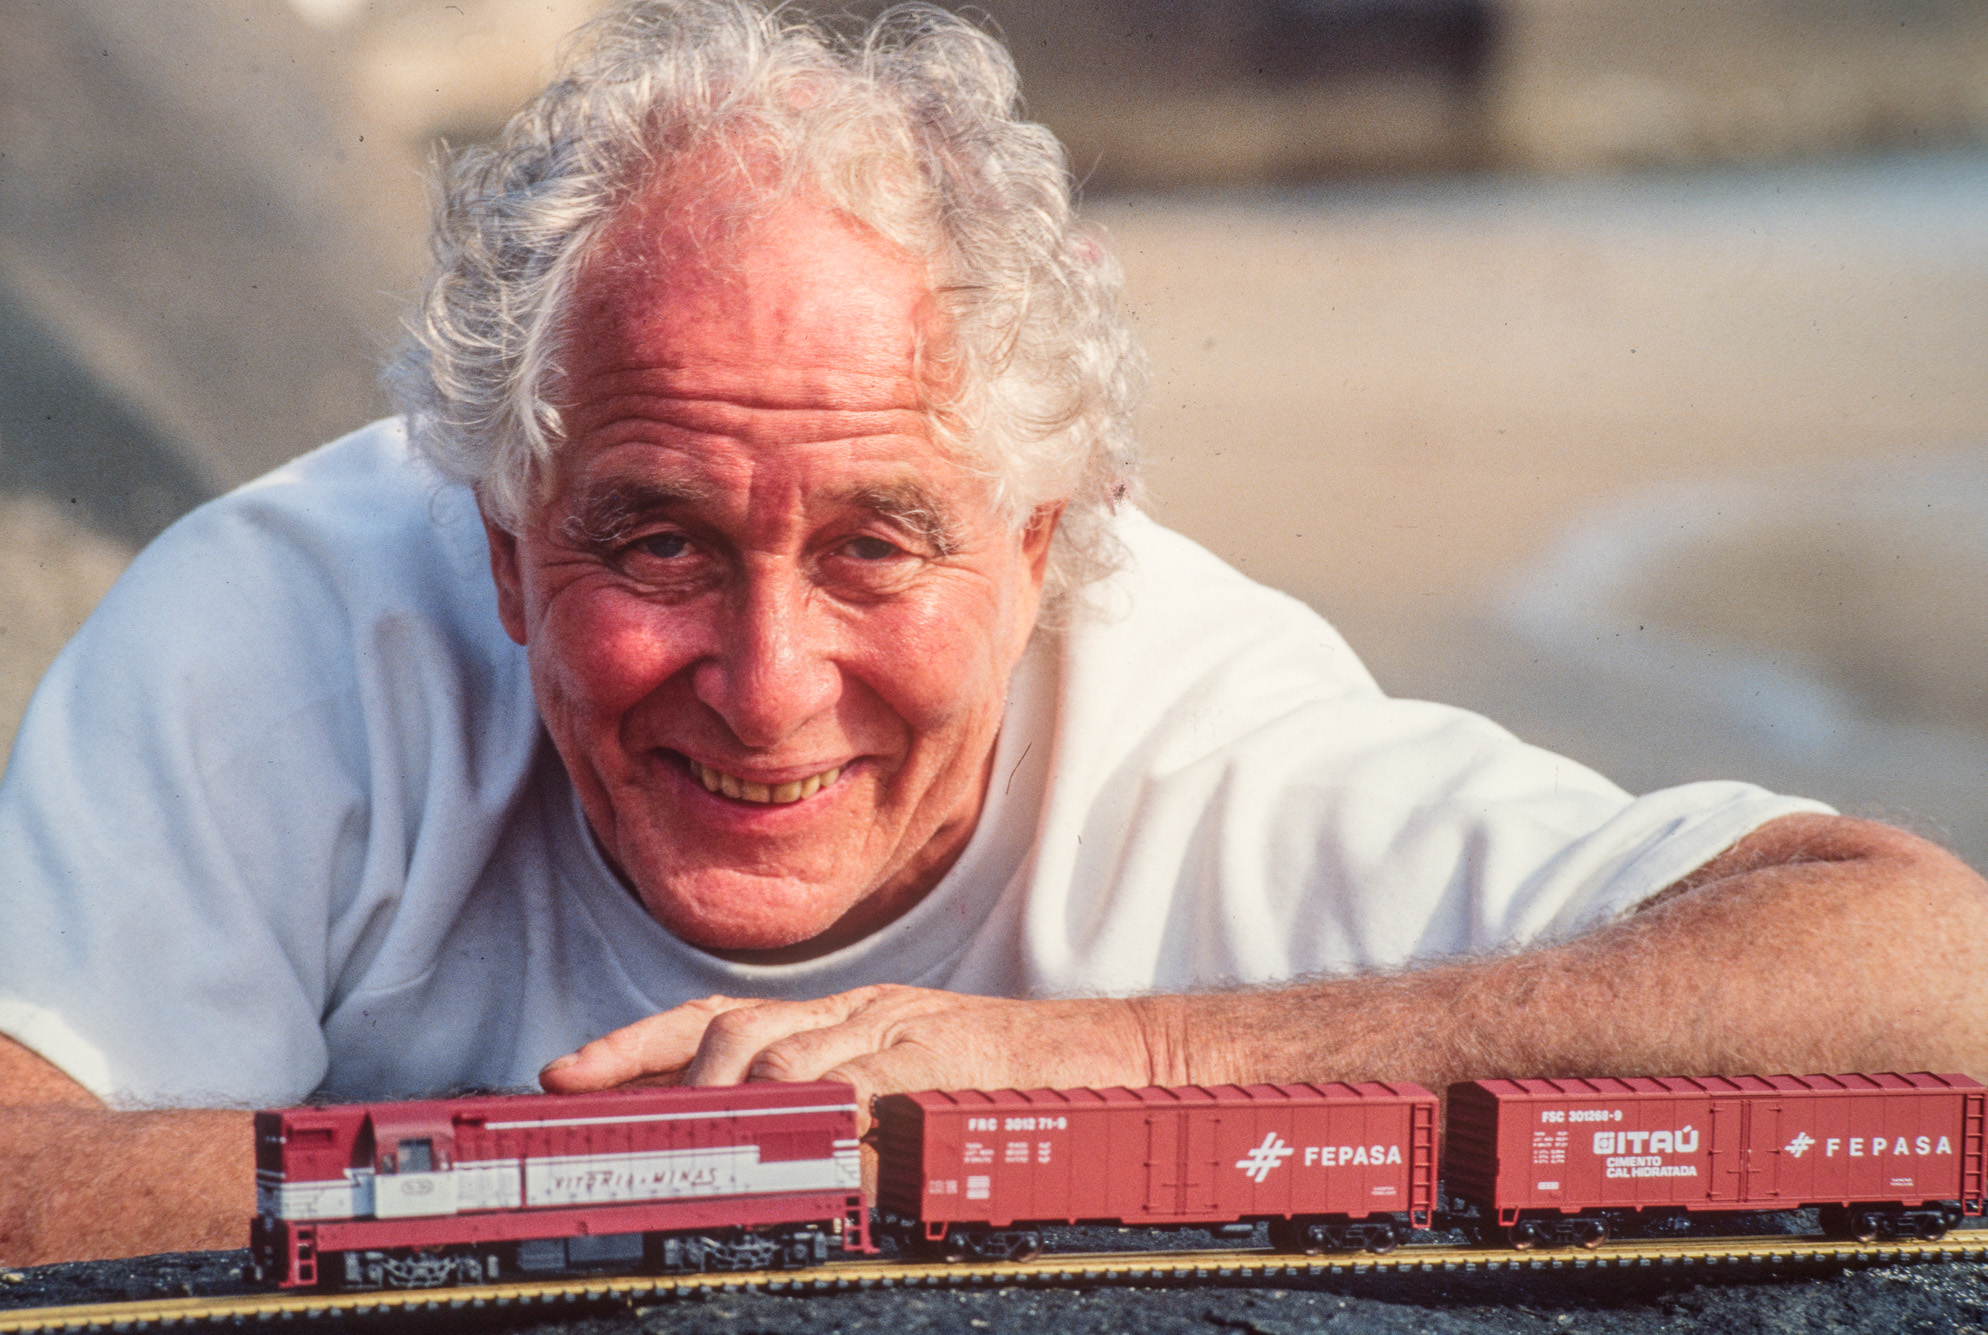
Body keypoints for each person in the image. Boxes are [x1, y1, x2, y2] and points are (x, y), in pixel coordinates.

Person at [1, 0, 1983, 1267]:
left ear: (1050, 549)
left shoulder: (1204, 740)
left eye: (877, 543)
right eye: (656, 540)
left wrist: (1102, 1064)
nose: (768, 679)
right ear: (506, 543)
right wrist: (626, 1187)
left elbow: (1923, 960)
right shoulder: (286, 628)